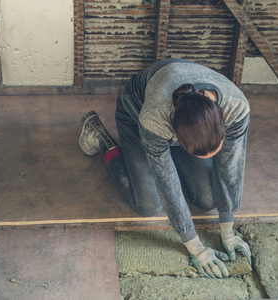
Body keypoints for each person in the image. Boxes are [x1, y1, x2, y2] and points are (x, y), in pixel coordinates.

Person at [79, 58, 251, 279]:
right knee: (149, 205)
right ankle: (101, 137)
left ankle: (177, 154)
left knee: (209, 200)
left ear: (223, 117)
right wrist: (196, 247)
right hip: (135, 115)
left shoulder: (237, 107)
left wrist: (228, 229)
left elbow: (230, 166)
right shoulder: (155, 118)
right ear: (176, 133)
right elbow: (167, 181)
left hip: (183, 126)